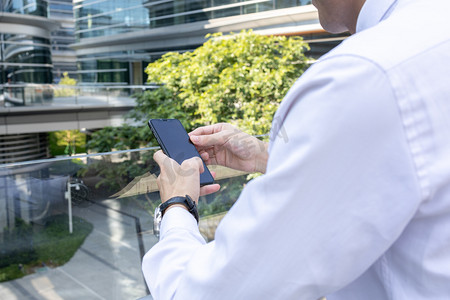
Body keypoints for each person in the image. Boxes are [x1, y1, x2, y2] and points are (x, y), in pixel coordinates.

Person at [142, 0, 450, 298]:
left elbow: (210, 292)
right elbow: (408, 167)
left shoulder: (362, 74)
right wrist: (268, 156)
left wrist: (177, 205)